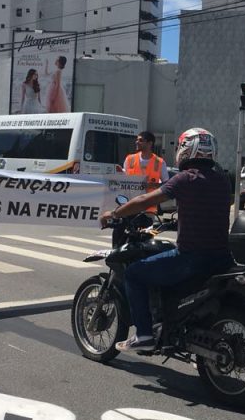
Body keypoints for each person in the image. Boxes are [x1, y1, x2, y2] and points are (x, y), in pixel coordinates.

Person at [99, 127, 232, 351]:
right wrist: (176, 221)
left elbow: (144, 200)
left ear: (186, 150)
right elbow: (207, 211)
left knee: (134, 274)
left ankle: (144, 335)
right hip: (222, 258)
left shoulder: (184, 179)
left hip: (191, 258)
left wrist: (114, 214)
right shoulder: (223, 180)